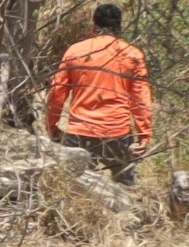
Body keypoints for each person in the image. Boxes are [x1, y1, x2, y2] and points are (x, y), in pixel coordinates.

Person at [46, 3, 153, 186]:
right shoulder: (132, 55)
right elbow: (140, 98)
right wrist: (144, 134)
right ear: (119, 27)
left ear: (93, 26)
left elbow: (58, 92)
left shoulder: (75, 51)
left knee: (73, 188)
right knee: (126, 189)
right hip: (118, 133)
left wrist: (51, 125)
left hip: (79, 133)